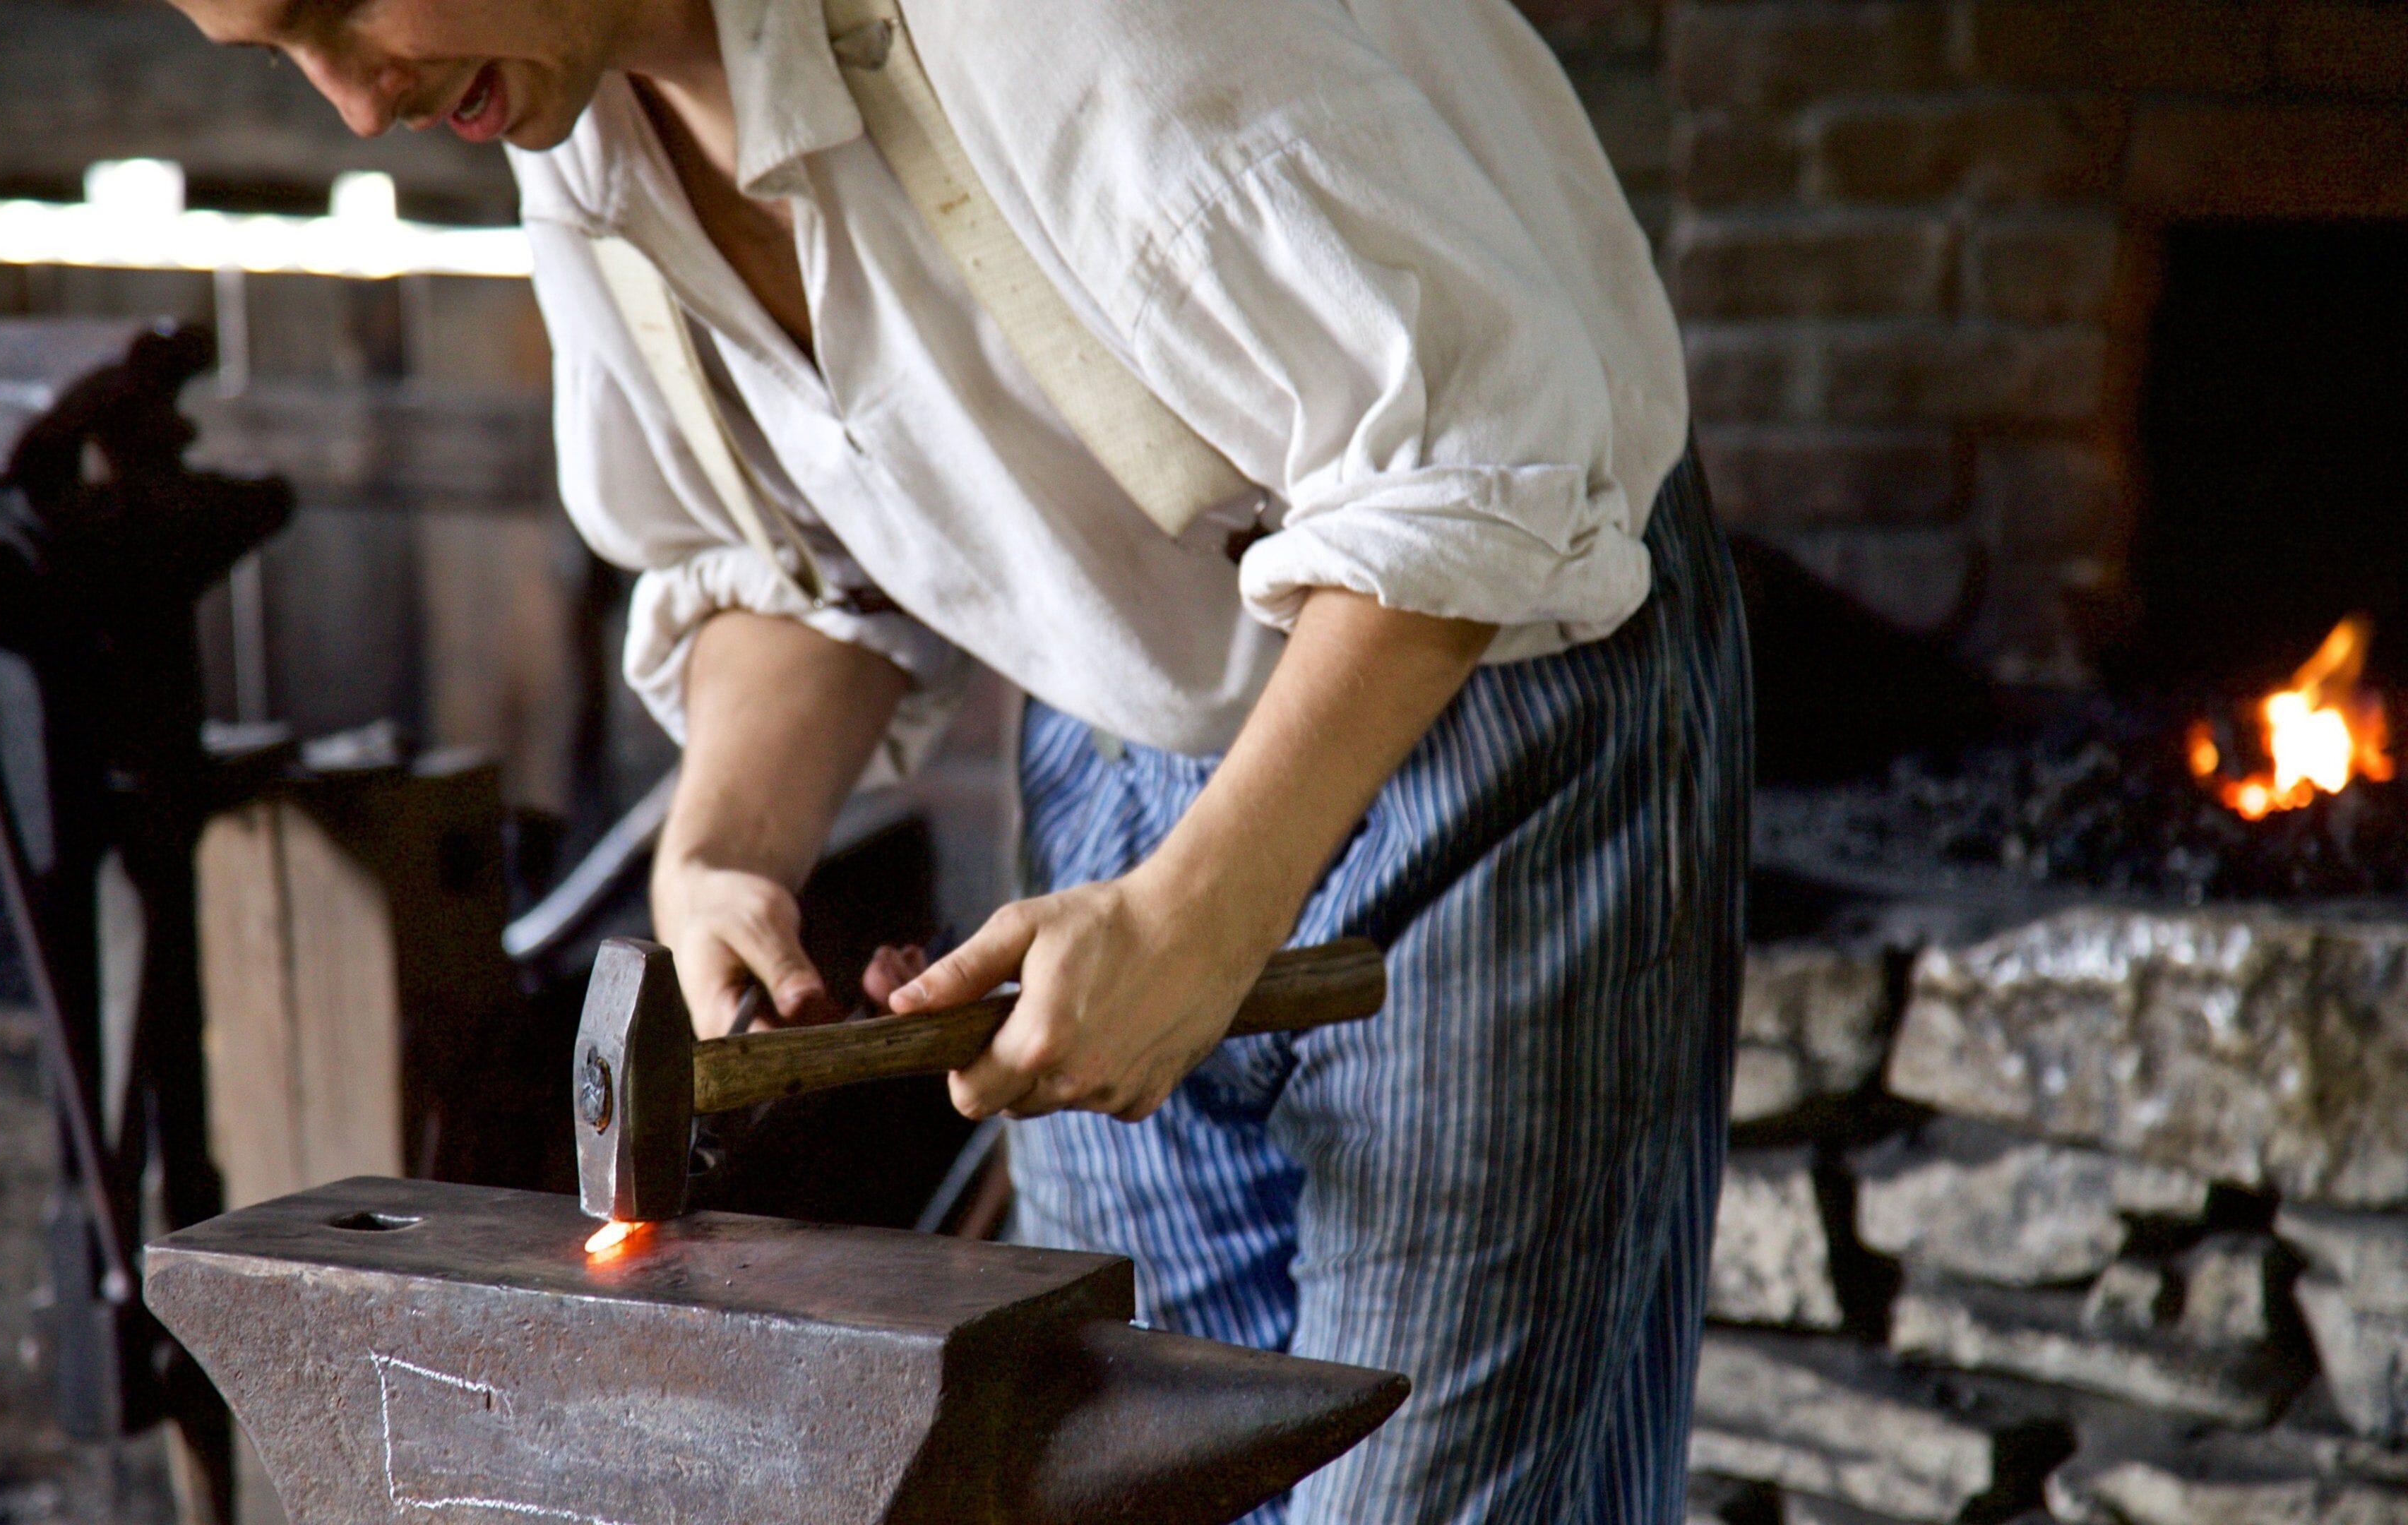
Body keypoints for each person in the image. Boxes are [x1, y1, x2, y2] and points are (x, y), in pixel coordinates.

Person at [170, 0, 1751, 1517]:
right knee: (1096, 1471)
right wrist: (724, 849)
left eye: (342, 6)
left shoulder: (1052, 23)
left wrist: (1203, 912)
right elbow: (796, 559)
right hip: (1120, 736)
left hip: (1482, 687)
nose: (357, 102)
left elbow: (1482, 450)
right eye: (282, 53)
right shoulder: (577, 119)